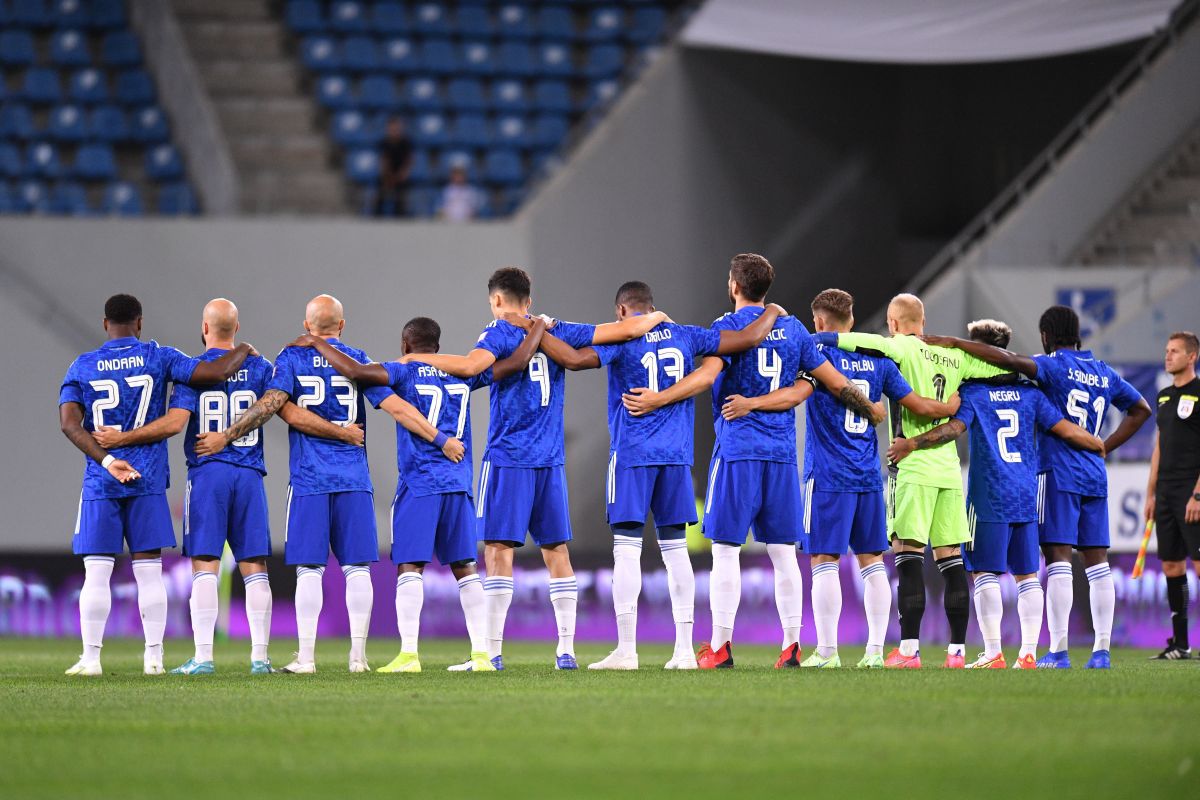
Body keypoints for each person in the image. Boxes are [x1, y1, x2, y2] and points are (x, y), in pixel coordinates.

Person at [400, 267, 669, 670]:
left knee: (497, 551)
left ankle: (490, 653)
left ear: (496, 300)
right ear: (528, 299)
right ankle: (566, 650)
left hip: (509, 457)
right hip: (550, 459)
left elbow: (473, 367)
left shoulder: (498, 333)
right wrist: (656, 318)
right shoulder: (558, 328)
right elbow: (622, 331)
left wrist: (417, 359)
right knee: (556, 551)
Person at [621, 256, 880, 669]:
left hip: (739, 452)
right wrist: (870, 408)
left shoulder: (725, 327)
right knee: (783, 556)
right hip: (781, 456)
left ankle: (721, 646)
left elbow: (706, 377)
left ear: (735, 286)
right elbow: (829, 382)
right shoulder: (794, 329)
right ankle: (791, 646)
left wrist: (659, 398)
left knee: (726, 552)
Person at [91, 299, 363, 674]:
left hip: (207, 474)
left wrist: (123, 439)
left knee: (205, 564)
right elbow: (277, 407)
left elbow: (174, 423)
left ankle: (203, 658)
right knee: (255, 566)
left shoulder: (196, 371)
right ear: (236, 328)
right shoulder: (262, 367)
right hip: (249, 474)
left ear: (205, 328)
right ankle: (260, 658)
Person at [530, 280, 787, 670]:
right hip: (676, 457)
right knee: (676, 552)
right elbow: (746, 339)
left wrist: (536, 330)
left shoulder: (621, 338)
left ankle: (627, 651)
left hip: (633, 454)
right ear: (652, 305)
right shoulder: (686, 335)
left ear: (622, 312)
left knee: (627, 551)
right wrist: (772, 311)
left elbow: (573, 358)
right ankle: (684, 650)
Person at [196, 295, 459, 673]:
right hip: (354, 479)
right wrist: (440, 439)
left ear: (307, 326)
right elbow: (398, 407)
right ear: (342, 325)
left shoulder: (291, 358)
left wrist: (226, 436)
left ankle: (306, 657)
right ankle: (358, 658)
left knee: (309, 570)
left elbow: (279, 409)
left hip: (310, 479)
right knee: (357, 569)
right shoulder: (356, 360)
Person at [291, 313, 546, 673]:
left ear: (405, 345)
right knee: (466, 569)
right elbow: (518, 363)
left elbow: (358, 373)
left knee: (411, 566)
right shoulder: (463, 372)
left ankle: (409, 655)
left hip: (421, 482)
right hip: (458, 483)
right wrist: (537, 327)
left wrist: (318, 342)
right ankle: (481, 655)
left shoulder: (404, 369)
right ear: (438, 347)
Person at [720, 288, 958, 668]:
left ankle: (828, 652)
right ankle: (876, 653)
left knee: (824, 560)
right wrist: (950, 407)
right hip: (867, 475)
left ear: (818, 322)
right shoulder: (880, 360)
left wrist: (751, 401)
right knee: (873, 563)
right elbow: (918, 405)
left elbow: (794, 393)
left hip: (828, 475)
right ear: (851, 319)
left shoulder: (816, 353)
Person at [925, 304, 1152, 669]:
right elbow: (1141, 409)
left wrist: (954, 343)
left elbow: (1008, 360)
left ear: (1046, 336)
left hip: (1056, 473)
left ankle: (1057, 651)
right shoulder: (1101, 372)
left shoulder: (1049, 367)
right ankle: (1101, 651)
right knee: (1098, 565)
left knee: (1058, 559)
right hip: (1094, 473)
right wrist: (1105, 446)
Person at [810, 293, 1011, 668]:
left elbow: (848, 339)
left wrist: (819, 339)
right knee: (952, 560)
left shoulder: (898, 347)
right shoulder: (957, 357)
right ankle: (957, 653)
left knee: (909, 556)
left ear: (895, 323)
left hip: (914, 467)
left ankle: (908, 651)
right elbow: (1005, 367)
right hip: (949, 471)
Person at [58, 293, 254, 676]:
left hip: (102, 479)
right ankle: (153, 659)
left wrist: (109, 459)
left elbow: (68, 424)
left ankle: (92, 659)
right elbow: (213, 373)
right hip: (147, 480)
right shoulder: (158, 356)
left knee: (96, 573)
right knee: (148, 571)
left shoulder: (82, 365)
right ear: (140, 322)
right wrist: (244, 348)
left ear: (104, 324)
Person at [889, 319, 1103, 669]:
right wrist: (1098, 443)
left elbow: (953, 429)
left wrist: (912, 443)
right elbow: (1065, 429)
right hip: (1025, 494)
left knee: (984, 574)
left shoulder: (973, 393)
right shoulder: (1033, 394)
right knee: (1027, 576)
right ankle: (1029, 653)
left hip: (989, 495)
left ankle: (992, 653)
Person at [1143, 331, 1200, 660]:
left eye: (1175, 351)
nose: (1168, 356)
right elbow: (1159, 448)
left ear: (1191, 357)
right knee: (1171, 566)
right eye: (1166, 351)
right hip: (1165, 493)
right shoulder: (1164, 397)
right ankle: (1180, 644)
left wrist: (1197, 495)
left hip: (1192, 492)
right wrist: (1151, 494)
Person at [374, 117, 413, 218]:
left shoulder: (405, 143)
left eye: (396, 128)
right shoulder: (383, 143)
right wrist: (387, 176)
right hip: (387, 176)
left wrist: (401, 175)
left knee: (400, 200)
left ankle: (400, 220)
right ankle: (376, 219)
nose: (394, 131)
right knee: (379, 196)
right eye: (392, 128)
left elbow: (408, 161)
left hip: (400, 177)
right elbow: (382, 162)